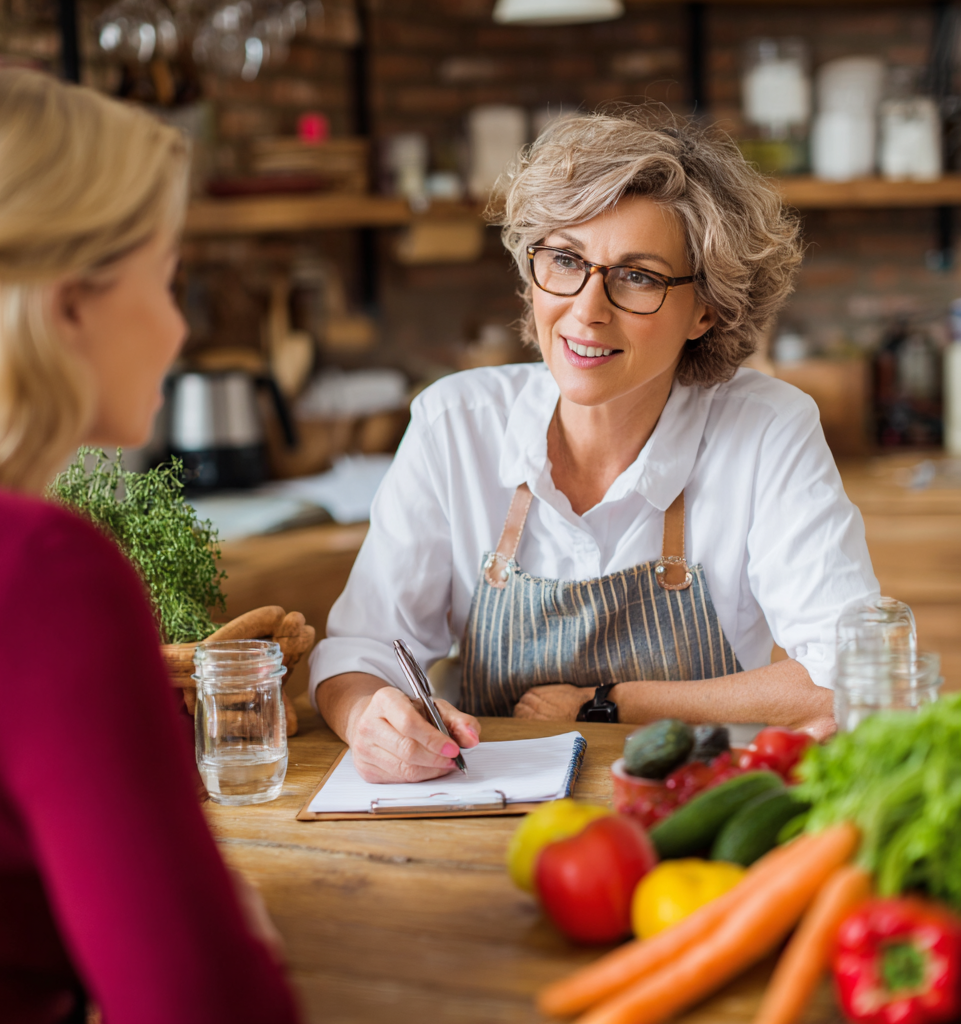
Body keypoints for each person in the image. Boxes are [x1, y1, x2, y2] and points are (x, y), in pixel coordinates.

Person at [309, 106, 880, 784]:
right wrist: (369, 717)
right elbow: (359, 651)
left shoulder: (765, 430)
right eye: (566, 260)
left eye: (636, 275)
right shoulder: (453, 423)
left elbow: (855, 675)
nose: (587, 308)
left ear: (708, 308)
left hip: (687, 814)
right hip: (480, 823)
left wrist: (615, 702)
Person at [0, 71, 298, 1024]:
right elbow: (204, 1007)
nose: (179, 328)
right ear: (67, 304)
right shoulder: (38, 574)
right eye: (167, 277)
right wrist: (233, 938)